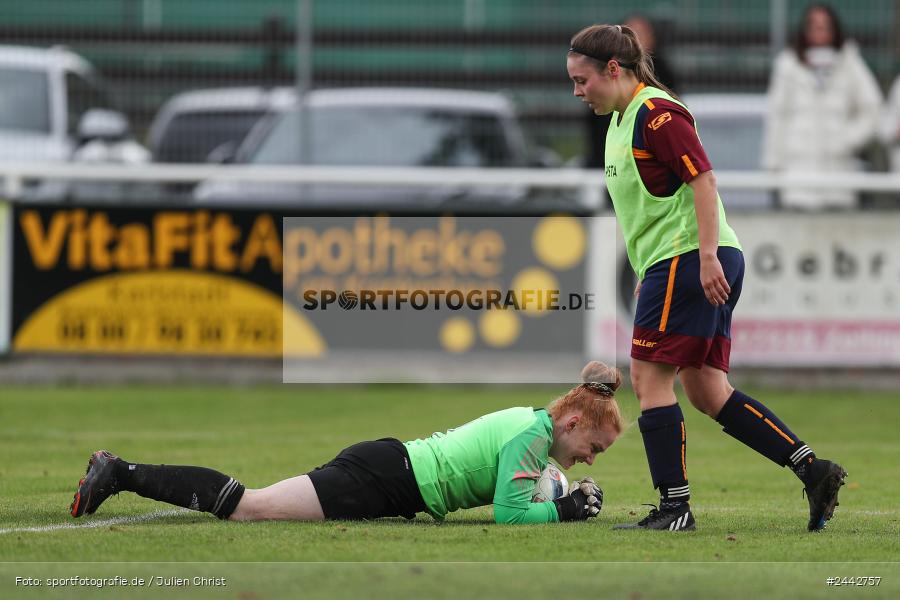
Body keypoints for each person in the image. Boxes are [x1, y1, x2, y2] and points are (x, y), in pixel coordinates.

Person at [566, 24, 847, 532]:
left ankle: (675, 509)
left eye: (582, 80)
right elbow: (654, 208)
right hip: (676, 260)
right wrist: (649, 269)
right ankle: (814, 470)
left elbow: (704, 179)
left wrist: (707, 256)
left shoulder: (656, 114)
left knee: (648, 378)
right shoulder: (620, 122)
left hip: (691, 257)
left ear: (613, 69)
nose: (577, 91)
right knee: (707, 390)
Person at [70, 362, 625, 525]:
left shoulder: (531, 427)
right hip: (383, 478)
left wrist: (556, 495)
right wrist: (566, 511)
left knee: (257, 504)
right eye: (594, 446)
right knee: (251, 508)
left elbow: (520, 492)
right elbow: (508, 516)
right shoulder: (531, 436)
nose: (589, 458)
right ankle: (120, 472)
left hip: (389, 472)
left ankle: (122, 472)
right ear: (572, 421)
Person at [762, 3, 882, 209]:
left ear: (835, 30)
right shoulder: (788, 65)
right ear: (805, 29)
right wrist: (773, 167)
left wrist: (847, 139)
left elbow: (873, 109)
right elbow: (777, 117)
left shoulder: (850, 63)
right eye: (814, 25)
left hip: (838, 182)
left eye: (825, 26)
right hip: (798, 183)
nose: (820, 31)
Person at [584, 14, 678, 170]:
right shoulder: (604, 71)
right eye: (629, 35)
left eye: (640, 34)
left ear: (652, 39)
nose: (635, 41)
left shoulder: (663, 73)